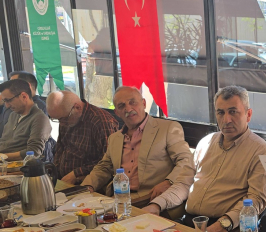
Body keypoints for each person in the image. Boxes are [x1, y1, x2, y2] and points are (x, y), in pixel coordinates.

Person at [81, 86, 194, 215]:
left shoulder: (167, 129)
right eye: (122, 106)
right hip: (119, 200)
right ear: (117, 112)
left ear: (144, 103)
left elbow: (186, 161)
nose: (128, 109)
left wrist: (169, 182)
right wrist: (87, 187)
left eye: (132, 102)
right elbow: (104, 167)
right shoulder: (114, 138)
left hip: (153, 199)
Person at [183, 86, 266, 232]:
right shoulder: (206, 142)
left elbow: (256, 200)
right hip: (188, 221)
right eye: (221, 112)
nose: (226, 120)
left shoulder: (261, 151)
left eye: (233, 112)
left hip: (226, 229)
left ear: (248, 114)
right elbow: (183, 182)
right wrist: (157, 205)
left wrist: (225, 224)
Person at [47, 90, 119, 185]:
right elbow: (60, 149)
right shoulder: (66, 118)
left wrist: (76, 174)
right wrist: (54, 172)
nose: (61, 123)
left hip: (88, 183)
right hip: (63, 180)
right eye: (56, 120)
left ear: (77, 107)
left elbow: (109, 161)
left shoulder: (101, 122)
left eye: (63, 119)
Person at [0, 79, 51, 160]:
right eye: (4, 101)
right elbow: (4, 142)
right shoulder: (13, 115)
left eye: (8, 100)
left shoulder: (39, 118)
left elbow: (34, 152)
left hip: (15, 164)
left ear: (24, 96)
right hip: (0, 160)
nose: (7, 105)